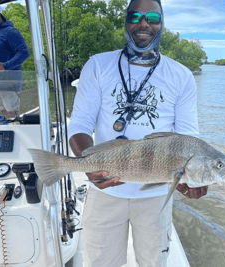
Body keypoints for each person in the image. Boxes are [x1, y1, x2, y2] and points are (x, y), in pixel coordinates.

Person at [69, 0, 207, 266]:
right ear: (126, 22)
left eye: (153, 17)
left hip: (155, 196)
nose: (144, 23)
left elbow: (188, 138)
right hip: (106, 191)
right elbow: (81, 123)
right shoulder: (98, 65)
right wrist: (88, 164)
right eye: (136, 16)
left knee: (154, 262)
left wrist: (194, 177)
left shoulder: (181, 75)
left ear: (162, 23)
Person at [0, 5, 30, 118]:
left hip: (9, 82)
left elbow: (24, 52)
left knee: (11, 115)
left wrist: (5, 66)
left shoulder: (10, 32)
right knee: (2, 116)